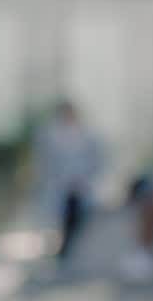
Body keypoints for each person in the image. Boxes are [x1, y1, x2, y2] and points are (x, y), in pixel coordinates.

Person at [33, 100, 103, 272]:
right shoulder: (50, 133)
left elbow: (97, 159)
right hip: (58, 186)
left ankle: (68, 253)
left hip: (81, 186)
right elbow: (44, 161)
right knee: (55, 221)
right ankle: (57, 254)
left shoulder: (88, 133)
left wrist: (85, 178)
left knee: (77, 220)